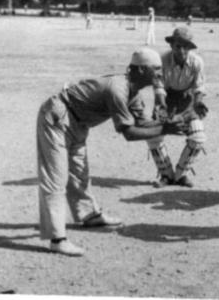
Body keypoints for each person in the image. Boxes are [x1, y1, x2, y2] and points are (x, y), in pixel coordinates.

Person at [36, 48, 187, 256]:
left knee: (79, 172)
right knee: (56, 178)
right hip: (57, 117)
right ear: (142, 69)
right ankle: (57, 239)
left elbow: (141, 122)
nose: (161, 73)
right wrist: (165, 129)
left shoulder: (132, 92)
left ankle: (89, 215)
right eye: (156, 69)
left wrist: (166, 123)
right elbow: (129, 133)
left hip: (79, 123)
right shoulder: (118, 89)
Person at [147, 26, 208, 188]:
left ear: (190, 48)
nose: (181, 50)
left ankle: (181, 174)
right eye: (177, 46)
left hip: (188, 101)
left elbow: (199, 87)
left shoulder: (197, 62)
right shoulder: (162, 60)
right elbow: (159, 86)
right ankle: (166, 175)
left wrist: (198, 102)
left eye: (185, 46)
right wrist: (159, 105)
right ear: (171, 46)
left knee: (198, 138)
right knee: (153, 137)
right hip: (166, 100)